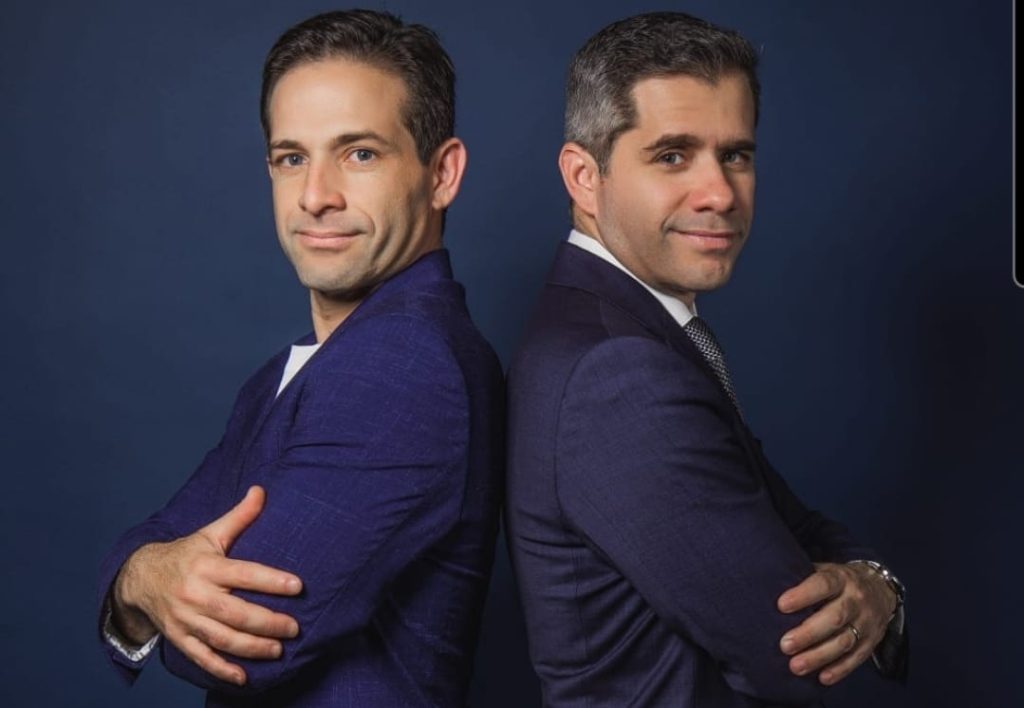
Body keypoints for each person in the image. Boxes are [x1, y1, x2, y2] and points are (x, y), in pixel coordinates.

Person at [97, 10, 504, 707]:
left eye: (360, 154)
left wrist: (147, 582)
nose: (316, 197)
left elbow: (237, 642)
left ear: (442, 174)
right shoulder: (291, 374)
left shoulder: (406, 367)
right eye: (292, 158)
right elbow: (156, 543)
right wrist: (145, 576)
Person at [505, 12, 907, 706]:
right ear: (584, 176)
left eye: (737, 156)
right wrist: (876, 589)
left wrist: (874, 582)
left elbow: (796, 525)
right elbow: (791, 654)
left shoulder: (639, 334)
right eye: (672, 156)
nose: (720, 193)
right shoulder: (619, 375)